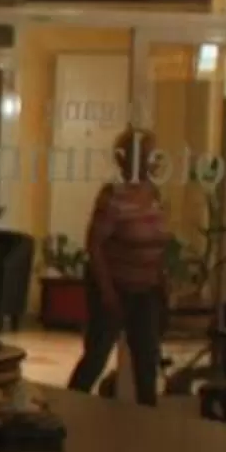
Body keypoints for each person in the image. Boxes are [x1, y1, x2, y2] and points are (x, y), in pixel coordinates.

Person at [70, 128, 172, 406]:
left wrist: (163, 280)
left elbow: (161, 241)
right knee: (97, 356)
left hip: (147, 289)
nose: (154, 161)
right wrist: (107, 292)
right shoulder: (113, 196)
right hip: (115, 287)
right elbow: (95, 245)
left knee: (147, 360)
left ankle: (147, 419)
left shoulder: (154, 194)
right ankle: (69, 407)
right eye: (149, 155)